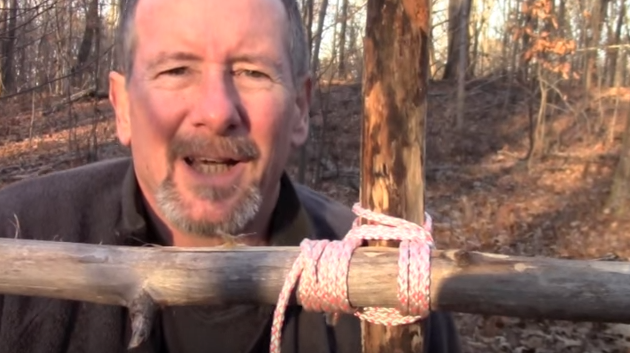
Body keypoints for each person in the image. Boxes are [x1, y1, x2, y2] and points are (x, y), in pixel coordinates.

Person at [0, 0, 462, 352]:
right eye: (177, 70)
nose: (217, 112)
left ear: (300, 108)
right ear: (122, 106)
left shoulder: (386, 291)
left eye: (252, 72)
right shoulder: (15, 243)